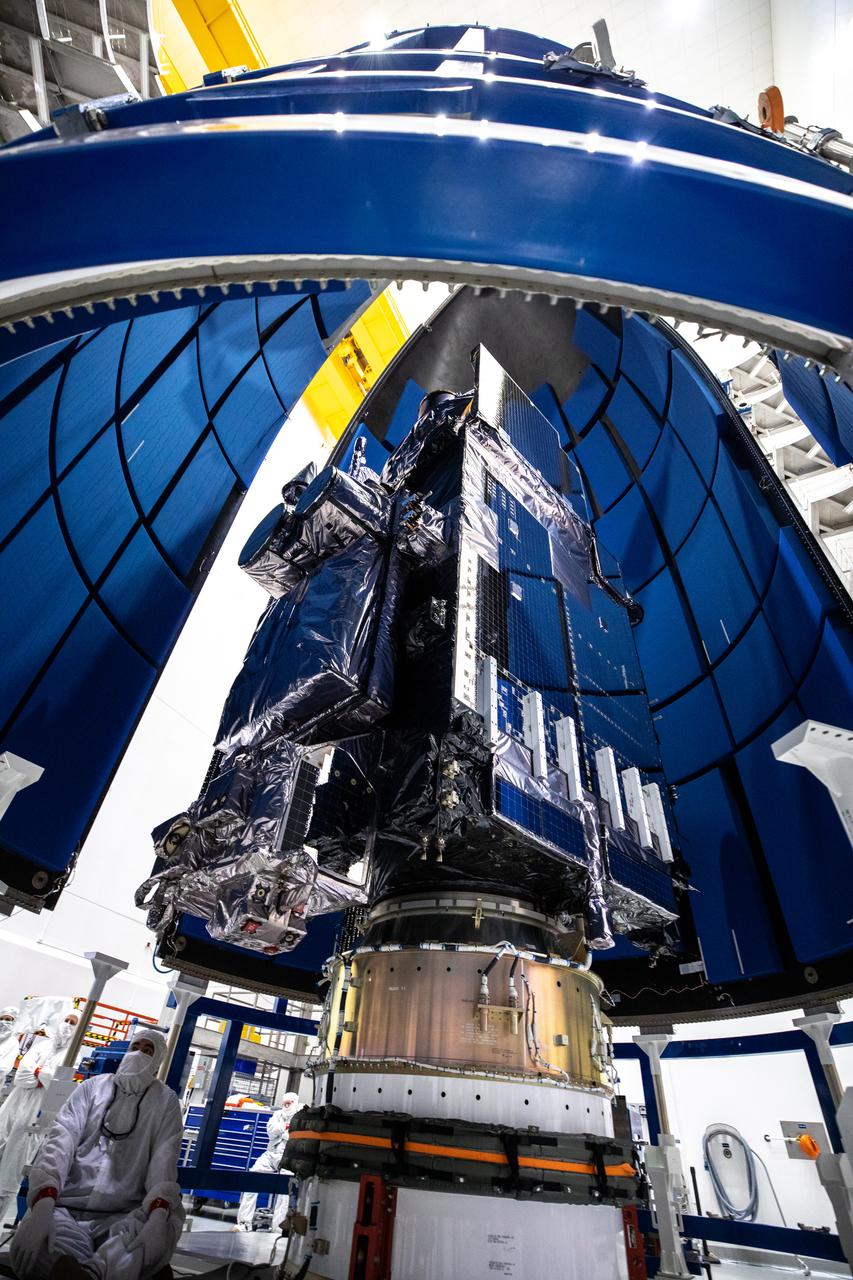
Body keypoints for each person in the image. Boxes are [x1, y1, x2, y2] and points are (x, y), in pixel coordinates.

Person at [11, 1027, 185, 1280]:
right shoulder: (93, 1087)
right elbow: (61, 1141)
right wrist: (44, 1202)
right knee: (33, 1248)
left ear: (157, 1061)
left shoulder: (165, 1101)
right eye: (135, 1048)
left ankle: (87, 1273)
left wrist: (158, 1213)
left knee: (147, 1245)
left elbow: (164, 1159)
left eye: (148, 1051)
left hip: (124, 1215)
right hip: (66, 1208)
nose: (139, 1055)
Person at [0, 1009, 79, 1226]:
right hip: (13, 1106)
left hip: (36, 1113)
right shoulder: (41, 1046)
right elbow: (21, 1076)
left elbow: (57, 1082)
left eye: (73, 1023)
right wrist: (42, 1075)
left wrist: (38, 1073)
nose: (67, 1025)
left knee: (12, 1170)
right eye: (66, 1019)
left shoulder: (74, 1054)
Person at [234, 1092, 300, 1232]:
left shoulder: (300, 1116)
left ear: (295, 1102)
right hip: (271, 1154)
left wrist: (282, 1131)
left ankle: (278, 1228)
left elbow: (294, 1136)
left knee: (285, 1190)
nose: (286, 1106)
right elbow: (270, 1131)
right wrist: (286, 1129)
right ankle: (244, 1223)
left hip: (289, 1156)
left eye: (289, 1103)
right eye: (284, 1103)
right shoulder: (277, 1115)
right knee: (252, 1179)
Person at [0, 1006, 21, 1078]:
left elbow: (3, 1069)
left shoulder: (13, 1043)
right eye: (1, 1019)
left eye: (7, 1019)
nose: (3, 1022)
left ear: (14, 1022)